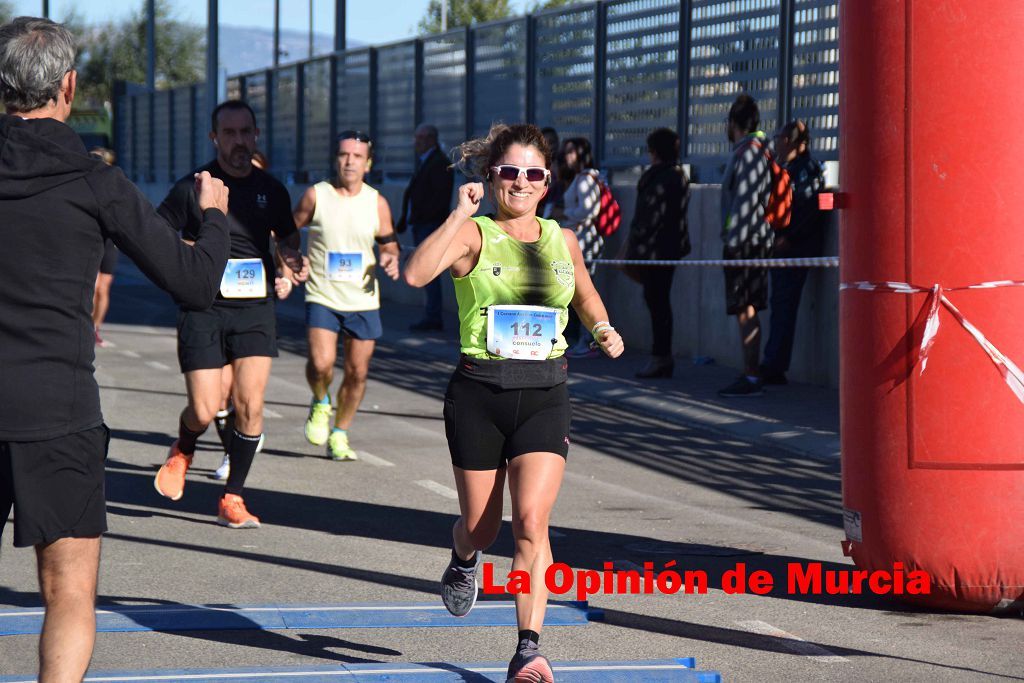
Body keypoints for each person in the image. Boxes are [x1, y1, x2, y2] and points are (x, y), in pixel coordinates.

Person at [0, 16, 230, 681]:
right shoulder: (94, 181)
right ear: (69, 86)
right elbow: (192, 282)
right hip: (58, 410)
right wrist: (212, 214)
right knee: (68, 591)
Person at [404, 123, 624, 682]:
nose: (520, 182)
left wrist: (602, 329)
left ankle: (528, 647)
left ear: (547, 182)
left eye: (532, 173)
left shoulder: (563, 239)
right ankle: (464, 555)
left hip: (545, 395)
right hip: (478, 394)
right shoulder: (474, 234)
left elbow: (585, 294)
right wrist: (458, 214)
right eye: (509, 172)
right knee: (483, 527)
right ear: (491, 177)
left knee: (532, 523)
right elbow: (414, 273)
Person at [154, 99, 308, 528]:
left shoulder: (272, 190)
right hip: (203, 306)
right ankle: (184, 447)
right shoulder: (193, 188)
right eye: (230, 133)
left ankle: (233, 497)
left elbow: (287, 241)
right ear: (214, 138)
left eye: (246, 132)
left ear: (255, 136)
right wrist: (192, 253)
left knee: (250, 406)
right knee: (203, 410)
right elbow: (155, 236)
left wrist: (293, 263)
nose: (239, 141)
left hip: (255, 308)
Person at [293, 130, 400, 460]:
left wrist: (390, 258)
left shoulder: (377, 202)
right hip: (323, 293)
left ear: (367, 163)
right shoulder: (316, 196)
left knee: (357, 373)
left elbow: (389, 244)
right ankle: (321, 401)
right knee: (321, 363)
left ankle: (340, 433)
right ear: (335, 159)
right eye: (343, 155)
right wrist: (289, 261)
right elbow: (285, 231)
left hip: (363, 299)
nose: (349, 161)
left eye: (356, 156)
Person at [760, 119, 826, 385]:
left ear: (789, 141)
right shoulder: (790, 168)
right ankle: (773, 362)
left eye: (778, 138)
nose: (775, 143)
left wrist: (789, 237)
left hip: (796, 249)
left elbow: (809, 209)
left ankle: (774, 364)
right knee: (779, 304)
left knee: (784, 304)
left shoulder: (806, 170)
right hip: (785, 247)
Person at [718, 94, 773, 397]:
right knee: (746, 308)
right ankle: (751, 372)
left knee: (745, 308)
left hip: (746, 243)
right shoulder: (756, 149)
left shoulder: (749, 152)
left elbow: (744, 203)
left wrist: (733, 241)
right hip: (752, 240)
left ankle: (752, 375)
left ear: (733, 123)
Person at [626, 127, 691, 379]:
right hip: (670, 249)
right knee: (659, 302)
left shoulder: (657, 177)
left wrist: (635, 243)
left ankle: (660, 357)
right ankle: (661, 356)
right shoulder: (679, 176)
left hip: (653, 251)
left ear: (655, 151)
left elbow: (647, 215)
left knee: (657, 303)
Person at [396, 123, 454, 331]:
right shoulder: (425, 161)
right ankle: (431, 313)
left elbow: (439, 198)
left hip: (430, 224)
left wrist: (423, 216)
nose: (416, 143)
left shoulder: (439, 163)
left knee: (429, 270)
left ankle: (433, 315)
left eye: (420, 139)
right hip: (421, 222)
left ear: (430, 139)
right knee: (424, 270)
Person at [557, 137, 604, 358]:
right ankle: (581, 340)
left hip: (584, 240)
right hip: (578, 238)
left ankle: (588, 341)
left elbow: (589, 211)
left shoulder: (586, 178)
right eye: (566, 152)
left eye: (572, 152)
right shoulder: (579, 178)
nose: (567, 156)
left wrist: (564, 214)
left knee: (583, 292)